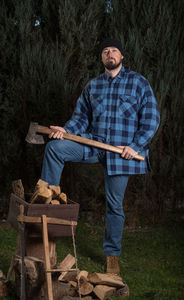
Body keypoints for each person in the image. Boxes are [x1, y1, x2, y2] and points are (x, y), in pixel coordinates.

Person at [40, 38, 160, 275]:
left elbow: (151, 118)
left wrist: (135, 146)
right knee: (55, 148)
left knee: (114, 206)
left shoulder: (138, 83)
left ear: (121, 56)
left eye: (114, 50)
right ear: (102, 58)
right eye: (105, 51)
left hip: (121, 155)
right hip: (94, 146)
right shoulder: (93, 86)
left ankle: (112, 255)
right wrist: (66, 130)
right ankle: (48, 196)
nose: (110, 54)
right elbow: (81, 117)